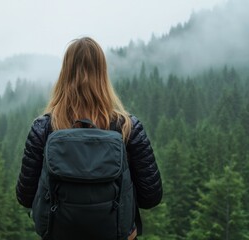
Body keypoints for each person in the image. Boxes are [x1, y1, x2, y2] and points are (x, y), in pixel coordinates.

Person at [16, 37, 162, 239]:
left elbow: (25, 197)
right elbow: (151, 197)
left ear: (64, 74)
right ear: (103, 74)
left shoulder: (44, 129)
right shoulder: (128, 128)